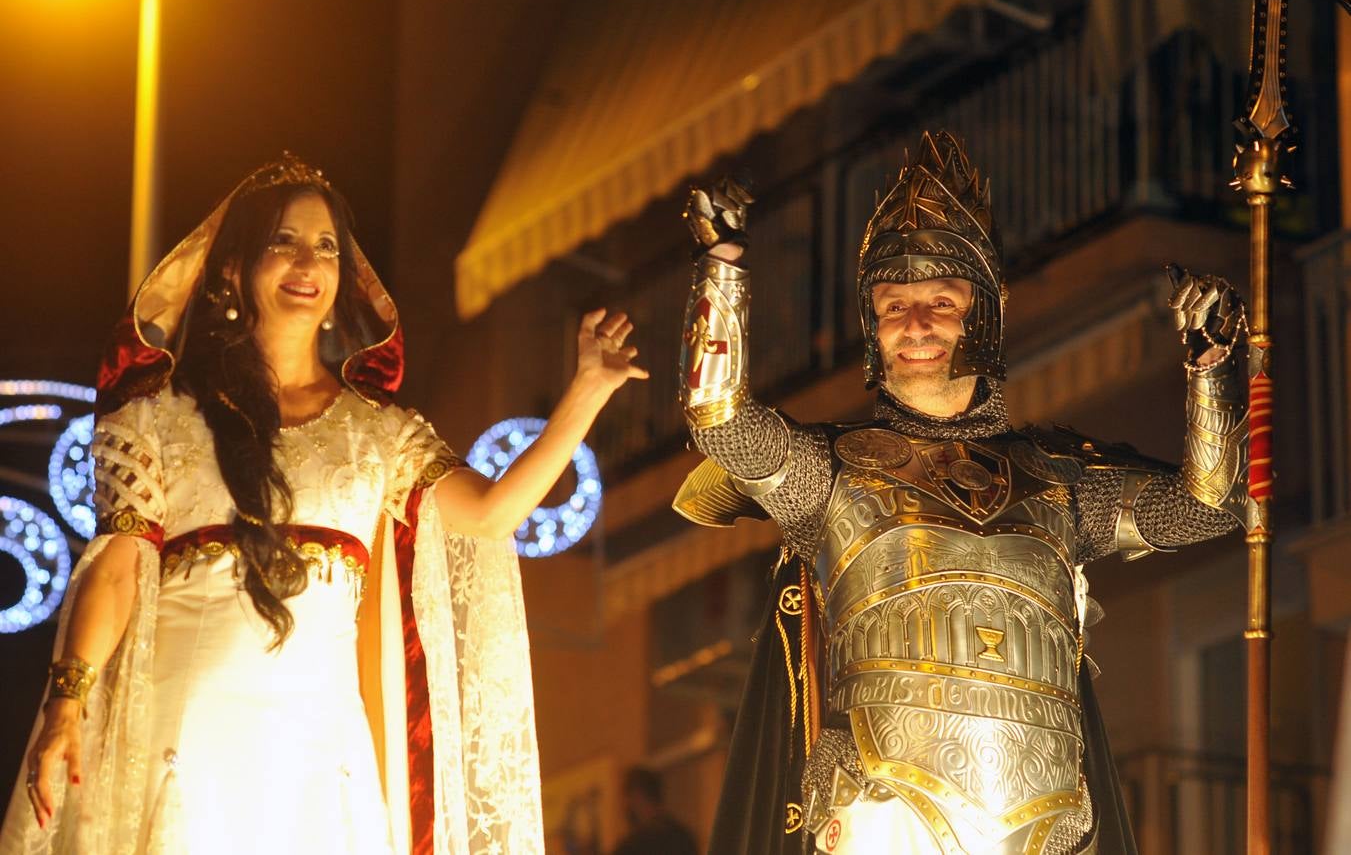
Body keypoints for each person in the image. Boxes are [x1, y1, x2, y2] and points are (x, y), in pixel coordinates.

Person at [0, 153, 648, 855]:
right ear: (230, 269)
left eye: (327, 246)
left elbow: (491, 514)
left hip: (321, 758)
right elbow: (117, 567)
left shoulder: (378, 432)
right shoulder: (155, 420)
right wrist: (67, 703)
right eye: (283, 241)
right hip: (185, 736)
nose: (308, 261)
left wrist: (586, 392)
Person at [672, 132, 1247, 854]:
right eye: (893, 306)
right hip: (887, 810)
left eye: (940, 301)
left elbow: (1205, 508)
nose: (915, 325)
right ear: (869, 324)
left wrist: (1211, 369)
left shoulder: (1059, 478)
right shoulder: (829, 471)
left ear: (986, 311)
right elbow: (718, 421)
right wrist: (719, 268)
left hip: (1043, 819)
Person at [610, 768, 697, 855]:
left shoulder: (633, 846)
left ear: (637, 796)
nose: (625, 806)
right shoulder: (684, 838)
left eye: (627, 798)